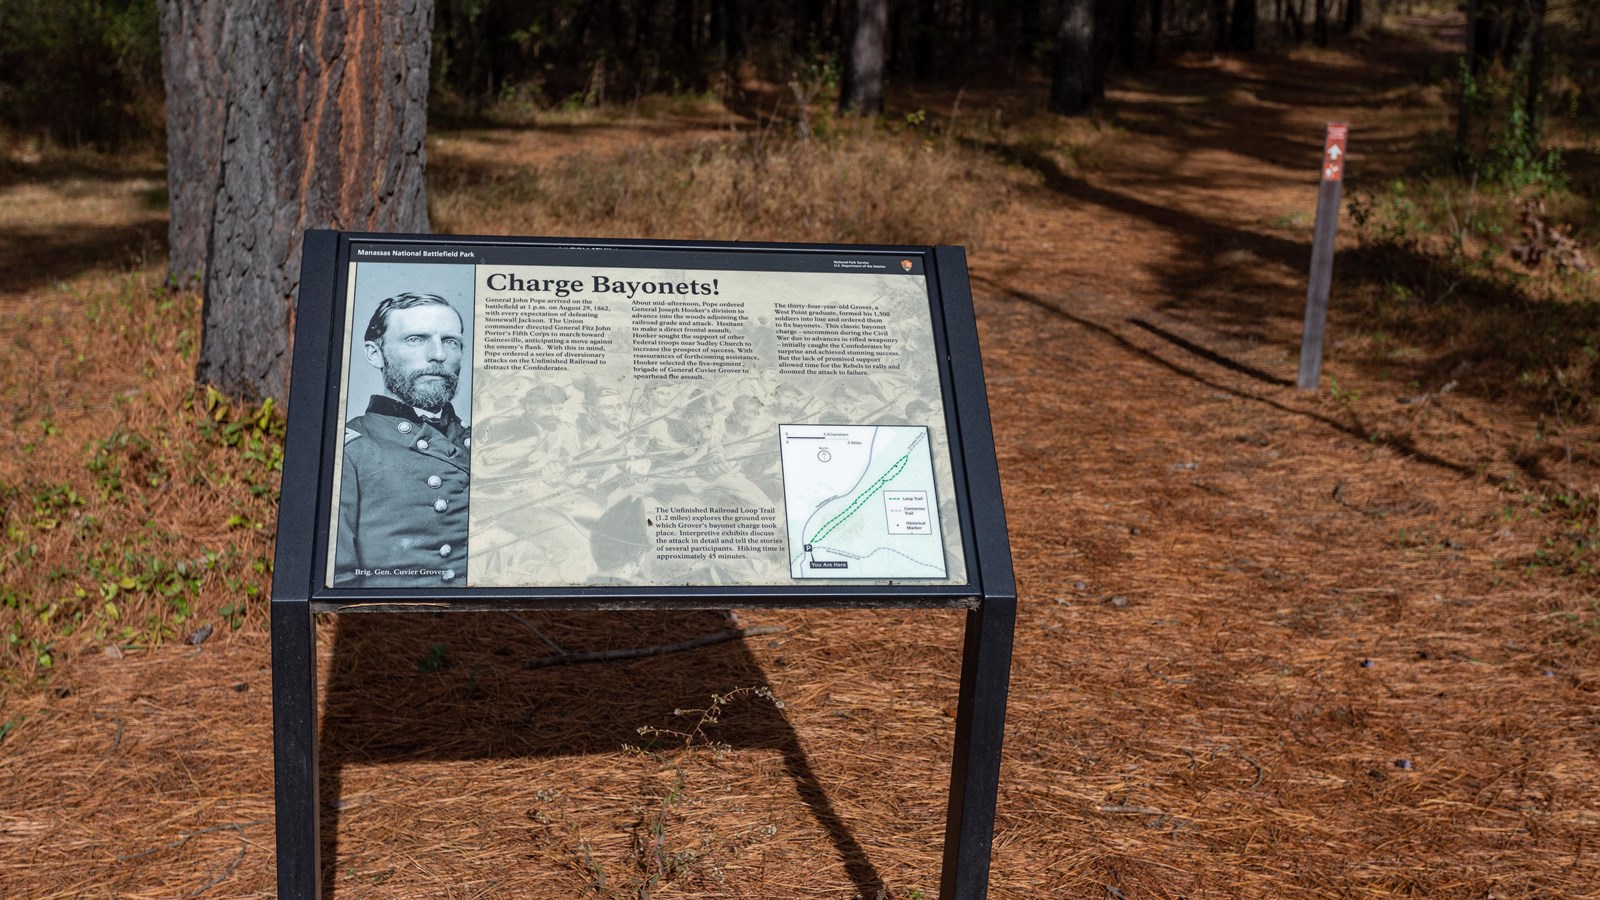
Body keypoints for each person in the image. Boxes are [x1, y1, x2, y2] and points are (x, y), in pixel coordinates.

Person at [335, 292, 471, 587]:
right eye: (415, 339)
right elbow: (339, 580)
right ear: (375, 353)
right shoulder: (352, 449)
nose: (438, 355)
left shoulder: (484, 442)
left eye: (450, 341)